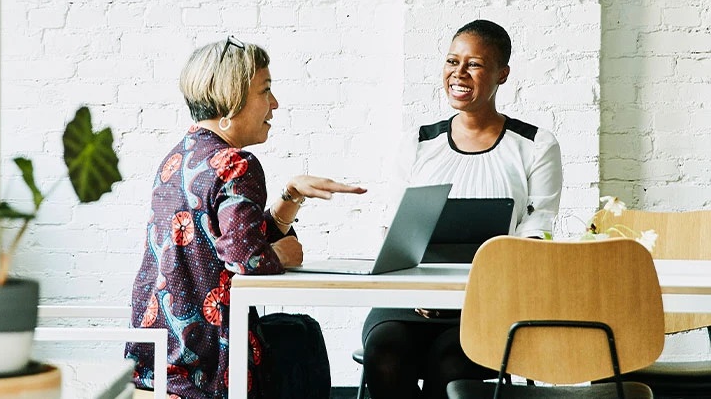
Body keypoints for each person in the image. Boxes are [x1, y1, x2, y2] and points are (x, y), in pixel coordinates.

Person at [125, 36, 367, 399]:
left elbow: (230, 239)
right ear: (232, 98)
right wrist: (282, 255)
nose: (275, 103)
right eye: (264, 91)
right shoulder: (237, 163)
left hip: (157, 359)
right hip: (207, 365)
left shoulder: (177, 159)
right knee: (302, 339)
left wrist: (291, 196)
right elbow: (248, 260)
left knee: (293, 332)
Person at [361, 20, 562, 399]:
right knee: (384, 355)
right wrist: (416, 289)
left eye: (475, 64)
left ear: (502, 74)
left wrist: (479, 293)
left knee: (448, 365)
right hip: (412, 302)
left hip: (490, 305)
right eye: (452, 61)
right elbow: (397, 232)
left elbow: (538, 233)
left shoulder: (535, 145)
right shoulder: (420, 143)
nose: (459, 72)